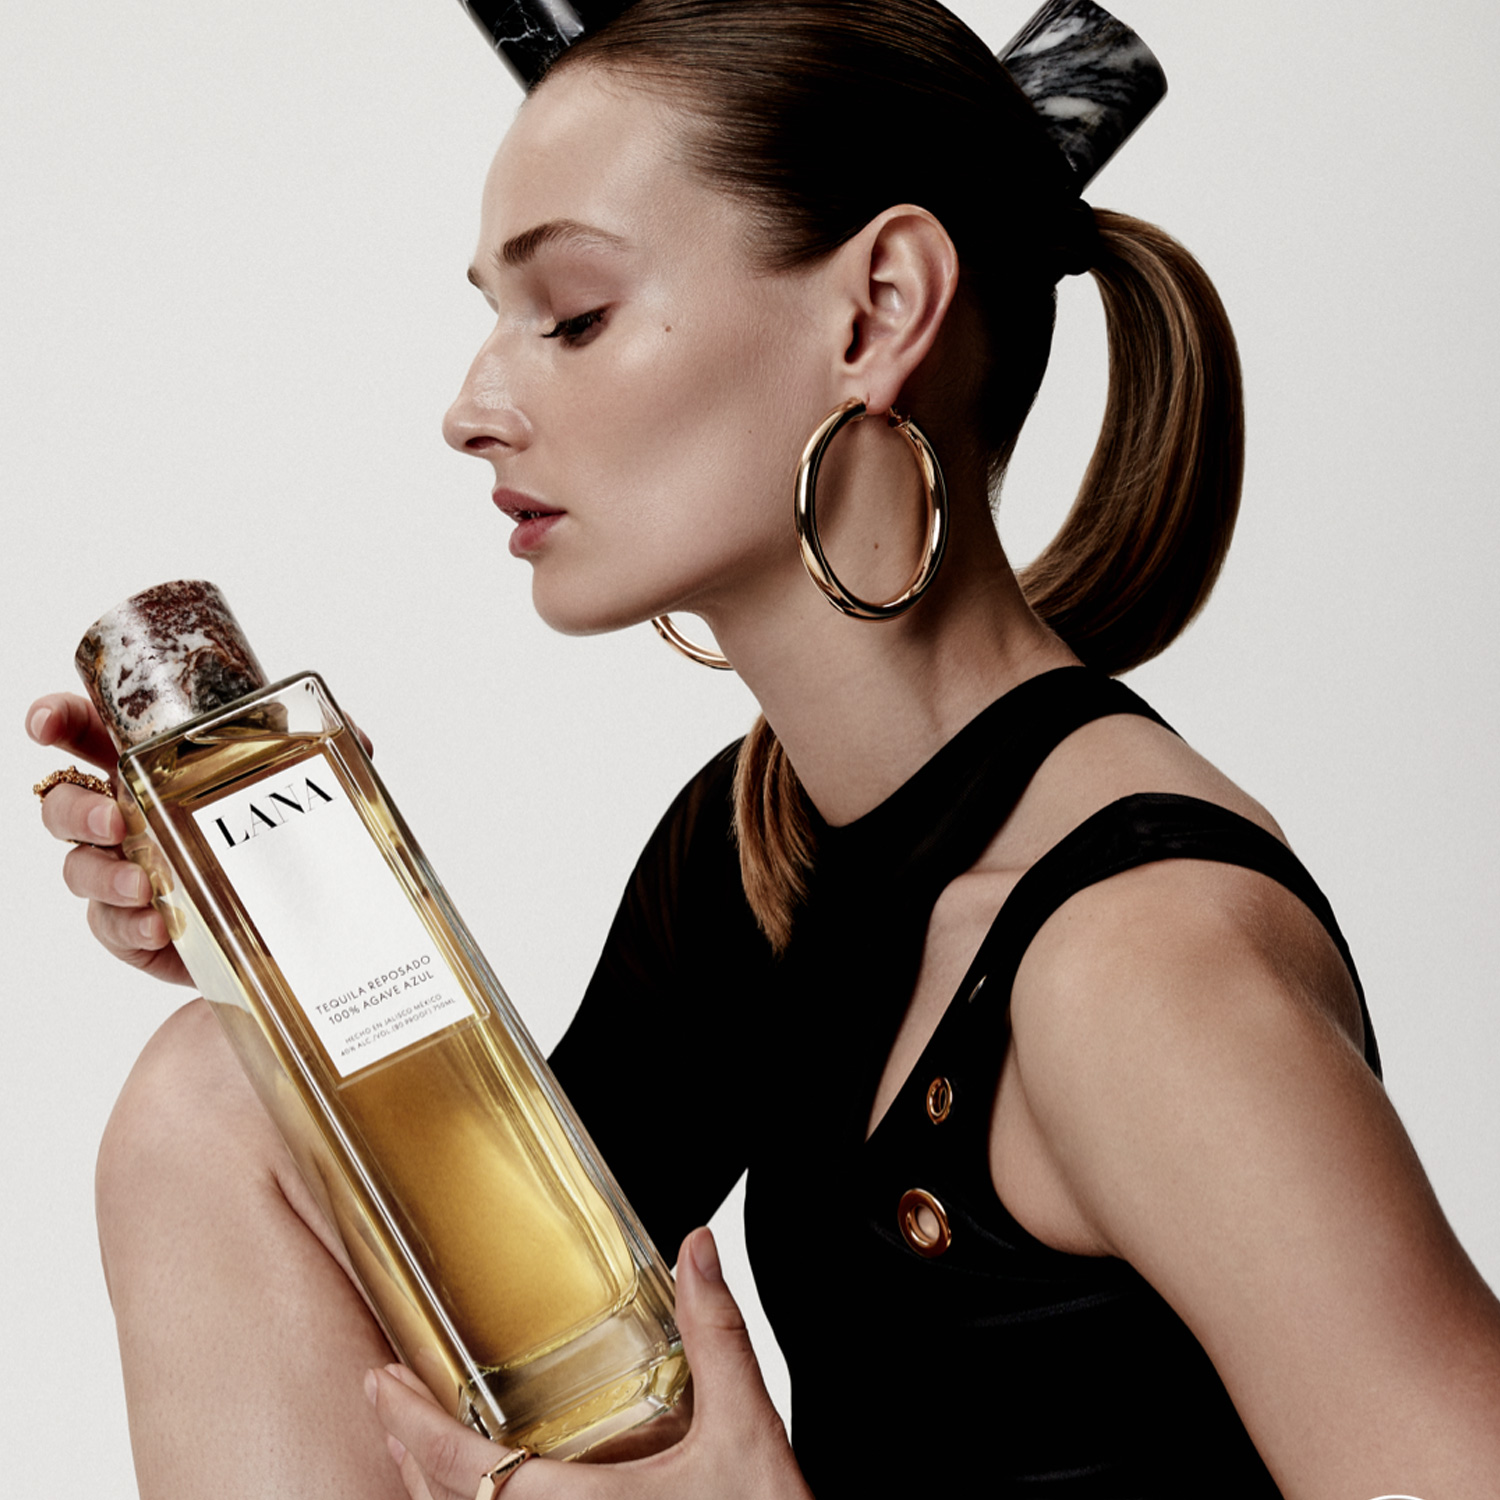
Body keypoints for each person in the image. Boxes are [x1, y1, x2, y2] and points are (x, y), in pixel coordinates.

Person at [25, 1, 1500, 1496]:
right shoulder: (764, 842)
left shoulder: (1133, 969)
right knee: (217, 1097)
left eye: (573, 315)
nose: (470, 411)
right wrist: (283, 941)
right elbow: (509, 1318)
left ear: (875, 313)